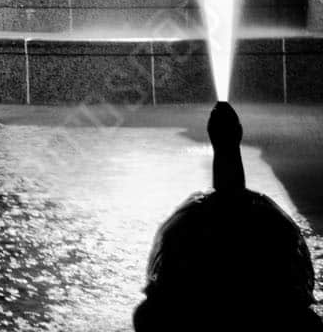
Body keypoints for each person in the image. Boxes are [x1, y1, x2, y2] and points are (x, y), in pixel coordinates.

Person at [134, 102, 320, 329]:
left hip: (188, 307)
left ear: (212, 135)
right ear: (238, 133)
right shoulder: (273, 224)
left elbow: (149, 312)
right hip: (269, 307)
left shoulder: (186, 225)